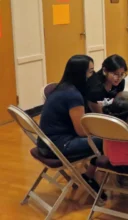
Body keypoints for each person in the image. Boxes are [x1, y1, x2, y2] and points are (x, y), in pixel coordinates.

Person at [37, 55, 105, 197]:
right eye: (90, 71)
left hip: (45, 143)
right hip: (58, 146)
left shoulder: (61, 88)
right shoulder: (73, 95)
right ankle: (91, 177)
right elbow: (81, 132)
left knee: (102, 137)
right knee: (107, 139)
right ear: (80, 73)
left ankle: (90, 174)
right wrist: (101, 129)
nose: (93, 75)